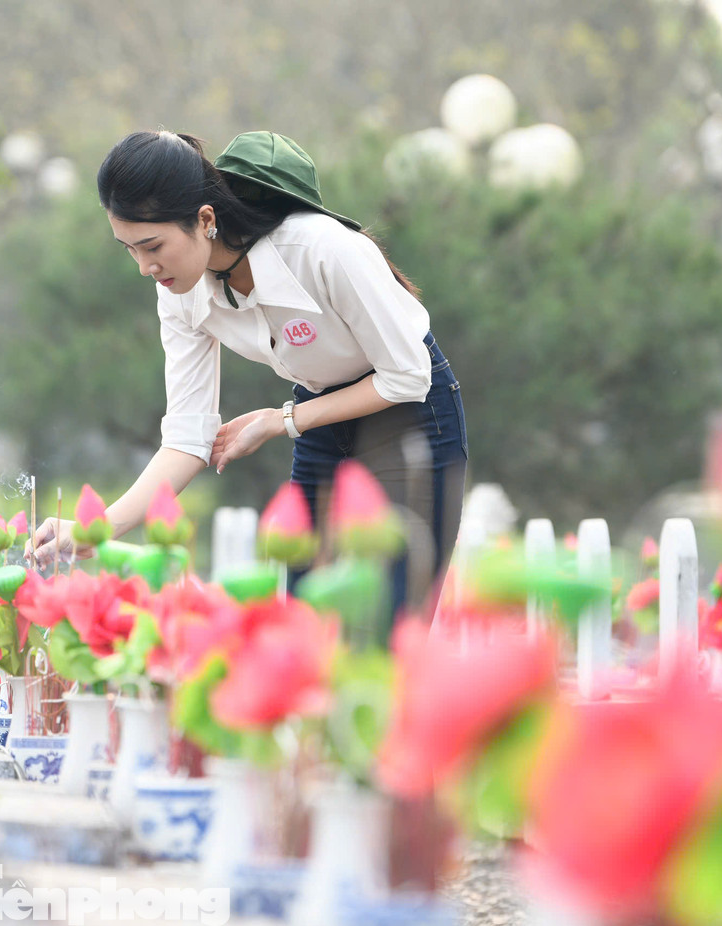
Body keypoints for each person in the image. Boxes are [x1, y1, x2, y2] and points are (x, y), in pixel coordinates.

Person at [30, 130, 467, 612]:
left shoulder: (321, 249)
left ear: (205, 220)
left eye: (153, 245)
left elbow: (408, 376)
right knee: (306, 622)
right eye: (129, 248)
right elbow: (188, 437)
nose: (144, 267)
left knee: (393, 620)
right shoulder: (178, 294)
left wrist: (284, 420)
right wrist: (96, 530)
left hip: (410, 418)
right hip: (321, 425)